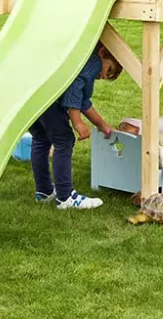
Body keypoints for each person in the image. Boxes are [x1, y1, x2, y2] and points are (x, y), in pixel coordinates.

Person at [30, 43, 121, 209]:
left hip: (35, 95)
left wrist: (103, 125)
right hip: (50, 102)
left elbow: (83, 101)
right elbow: (74, 91)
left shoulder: (79, 57)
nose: (103, 76)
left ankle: (43, 191)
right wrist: (77, 122)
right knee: (64, 141)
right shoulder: (92, 61)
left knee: (41, 138)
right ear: (102, 52)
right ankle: (65, 197)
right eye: (109, 69)